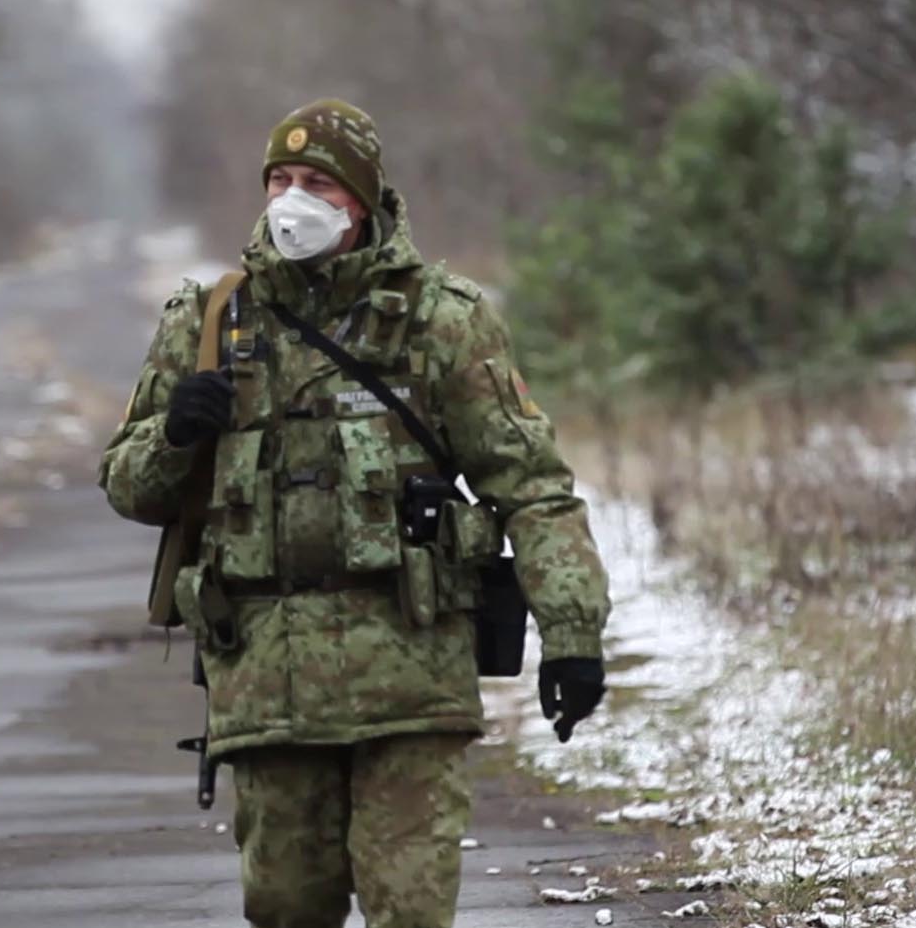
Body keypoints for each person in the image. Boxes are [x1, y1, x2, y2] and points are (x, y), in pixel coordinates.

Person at [100, 99, 611, 927]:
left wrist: (574, 635)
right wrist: (177, 433)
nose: (291, 200)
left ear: (363, 202)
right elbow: (129, 487)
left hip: (411, 677)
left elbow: (532, 485)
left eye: (317, 184)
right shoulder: (209, 321)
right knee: (284, 906)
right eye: (279, 180)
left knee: (410, 911)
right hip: (268, 683)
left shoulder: (442, 319)